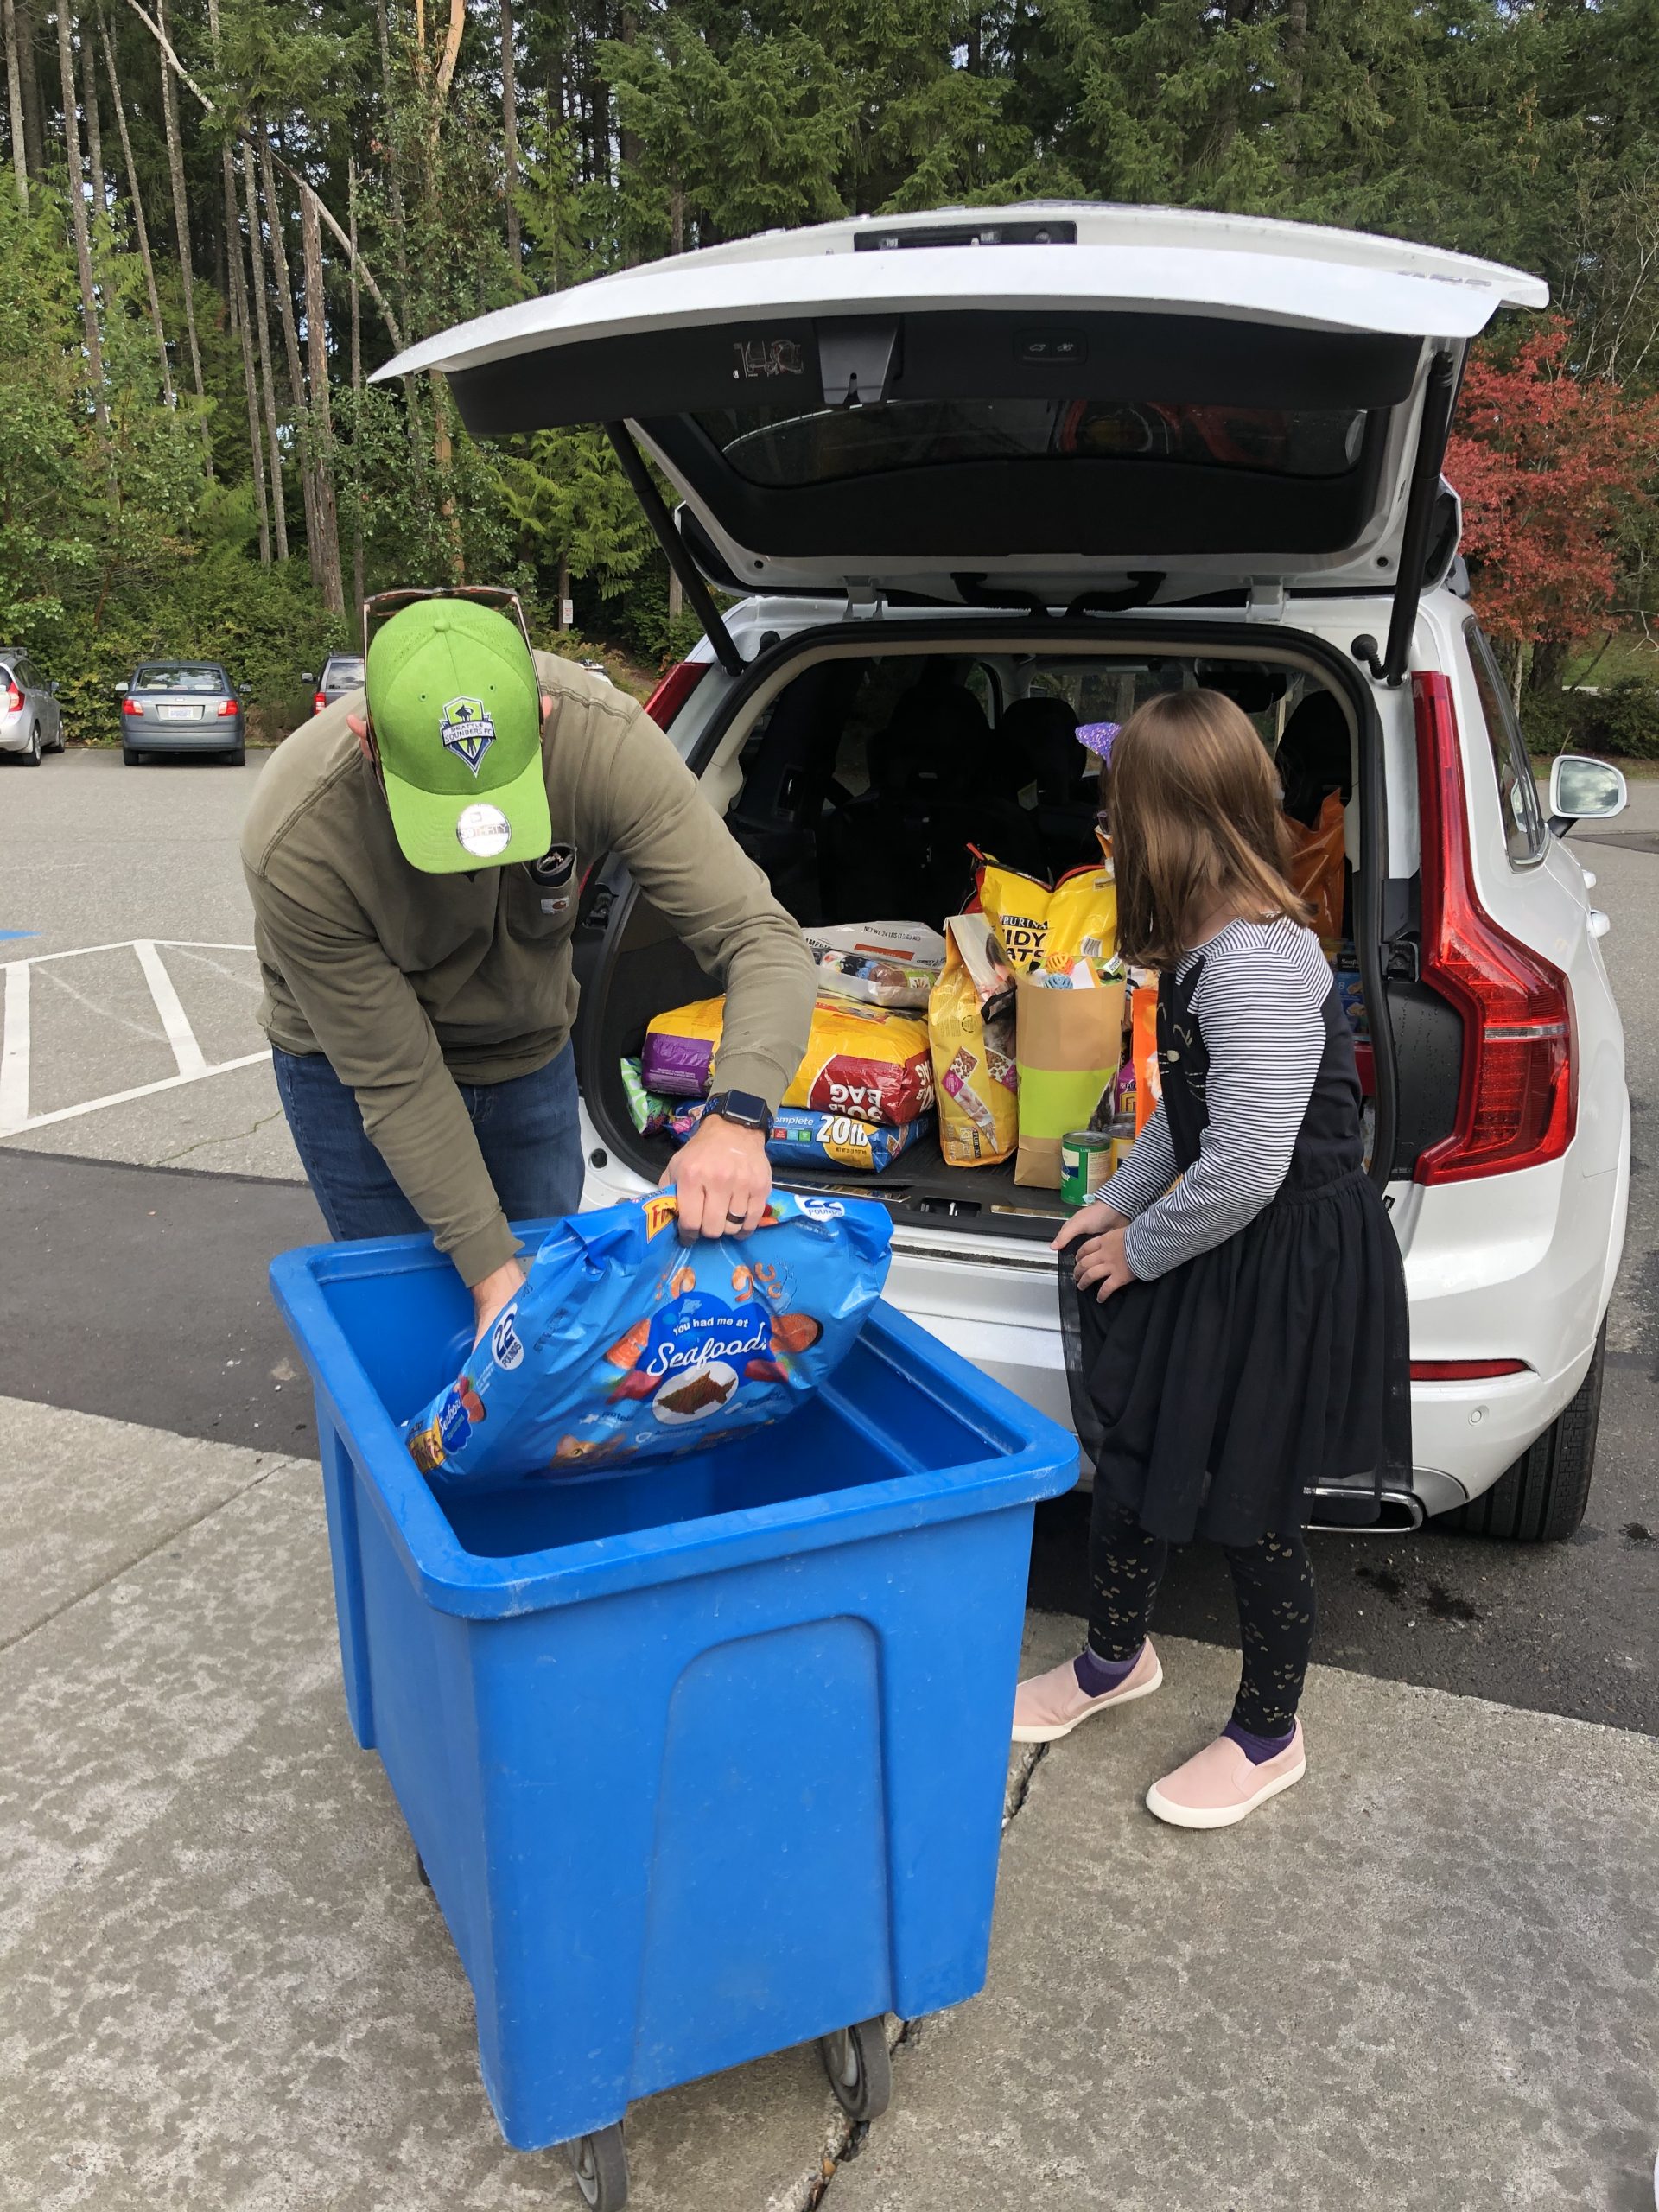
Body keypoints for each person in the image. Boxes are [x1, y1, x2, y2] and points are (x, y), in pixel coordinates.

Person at [1012, 688, 1409, 1829]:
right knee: (1141, 1457)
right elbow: (1184, 1125)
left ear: (1166, 824)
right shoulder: (1203, 941)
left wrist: (1139, 1249)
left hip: (1285, 1264)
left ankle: (1270, 1732)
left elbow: (1242, 1170)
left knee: (1252, 1504)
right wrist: (1113, 1203)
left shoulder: (1253, 963)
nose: (1106, 827)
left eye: (1118, 809)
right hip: (1229, 1237)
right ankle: (1113, 1660)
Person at [243, 591, 815, 1346]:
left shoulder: (605, 744)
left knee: (548, 1314)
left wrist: (737, 1121)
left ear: (544, 719)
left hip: (526, 1045)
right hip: (355, 1073)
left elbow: (760, 936)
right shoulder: (298, 837)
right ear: (367, 738)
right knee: (418, 1324)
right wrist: (492, 1276)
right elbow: (399, 1079)